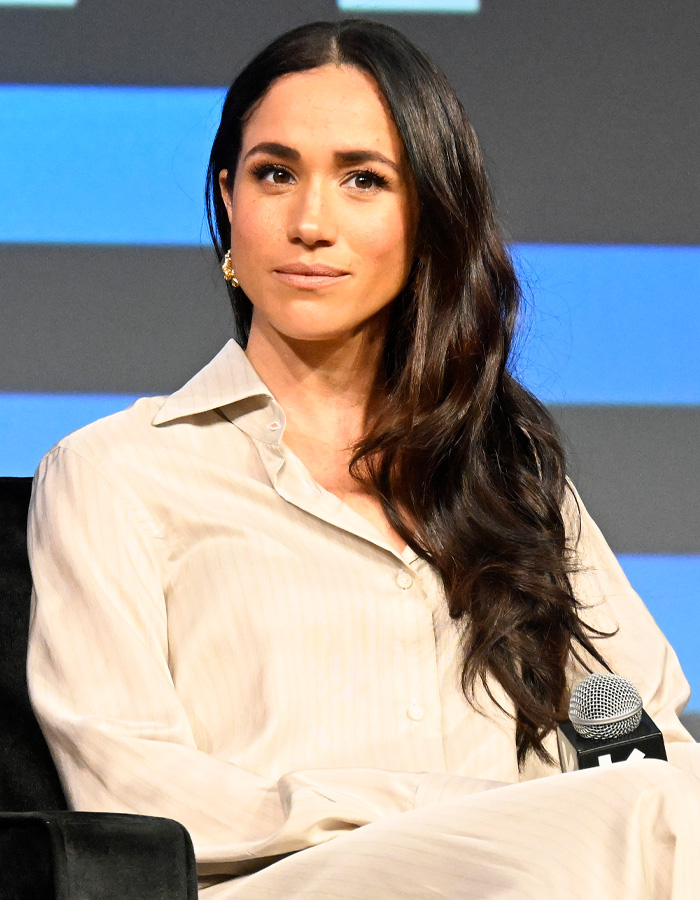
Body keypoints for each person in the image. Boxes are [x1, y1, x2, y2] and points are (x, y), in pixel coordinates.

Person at [27, 18, 700, 899]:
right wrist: (435, 813)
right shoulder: (116, 471)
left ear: (425, 220)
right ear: (229, 201)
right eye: (275, 174)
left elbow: (633, 733)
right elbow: (128, 790)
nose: (311, 222)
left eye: (362, 180)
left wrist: (558, 807)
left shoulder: (509, 474)